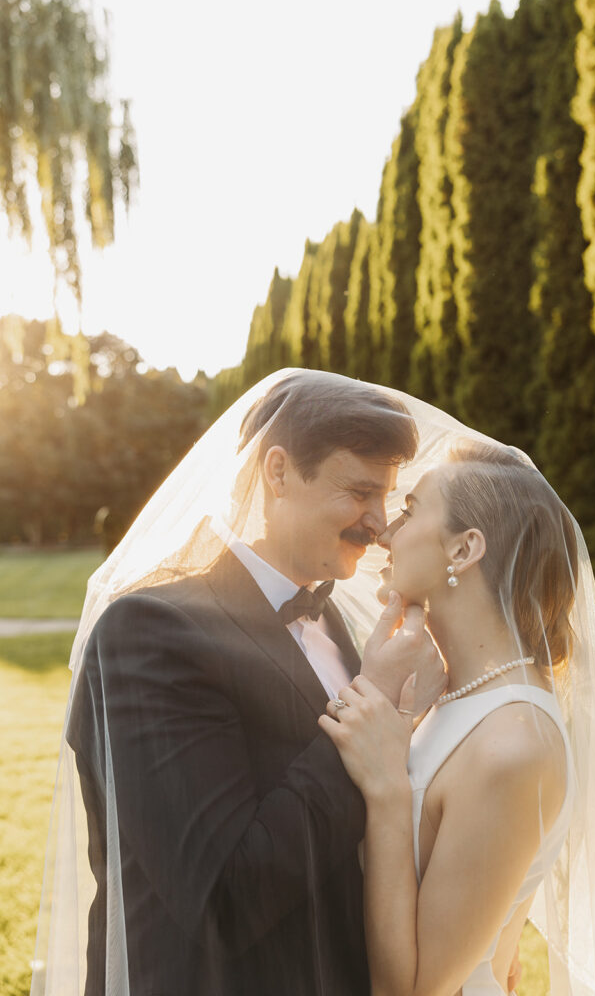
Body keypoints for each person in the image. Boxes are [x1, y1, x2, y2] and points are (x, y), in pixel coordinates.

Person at [31, 371, 447, 996]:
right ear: (278, 473)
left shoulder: (330, 619)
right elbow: (225, 896)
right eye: (361, 492)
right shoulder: (149, 633)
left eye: (386, 497)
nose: (380, 524)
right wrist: (375, 696)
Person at [320, 437, 595, 996]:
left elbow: (415, 989)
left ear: (463, 550)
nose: (385, 533)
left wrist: (386, 789)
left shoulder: (513, 745)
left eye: (409, 512)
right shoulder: (458, 696)